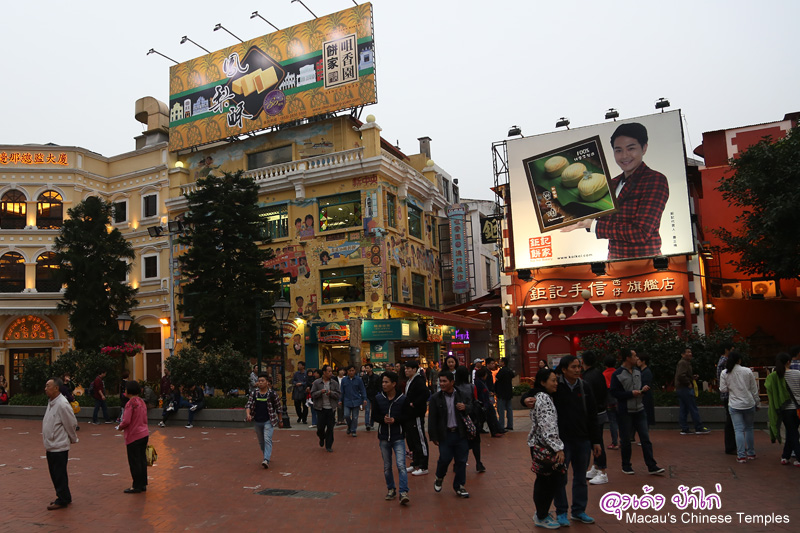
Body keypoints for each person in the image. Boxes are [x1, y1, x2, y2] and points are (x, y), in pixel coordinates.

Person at [561, 122, 670, 260]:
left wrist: (593, 224)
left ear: (644, 148)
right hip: (614, 263)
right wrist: (575, 218)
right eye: (618, 150)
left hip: (645, 264)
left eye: (631, 148)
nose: (624, 156)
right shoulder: (612, 183)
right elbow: (603, 218)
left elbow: (640, 233)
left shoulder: (655, 180)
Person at [522, 355, 600, 526]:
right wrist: (524, 399)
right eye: (573, 367)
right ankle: (562, 512)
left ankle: (579, 511)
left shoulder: (584, 387)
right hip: (563, 443)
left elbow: (593, 416)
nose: (578, 370)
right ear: (564, 370)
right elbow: (536, 391)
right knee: (560, 479)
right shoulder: (555, 387)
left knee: (580, 478)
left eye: (579, 366)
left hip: (582, 440)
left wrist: (596, 441)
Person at [609, 349, 665, 477]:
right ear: (627, 358)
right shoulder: (617, 374)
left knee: (645, 439)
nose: (636, 358)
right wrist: (630, 394)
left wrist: (643, 390)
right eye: (634, 356)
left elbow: (641, 387)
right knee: (626, 440)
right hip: (625, 411)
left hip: (640, 409)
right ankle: (626, 465)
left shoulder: (637, 372)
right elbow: (614, 392)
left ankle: (652, 466)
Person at [528, 367, 565, 530]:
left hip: (541, 445)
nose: (556, 383)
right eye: (553, 380)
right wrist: (558, 448)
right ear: (543, 382)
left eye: (556, 380)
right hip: (545, 447)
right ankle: (541, 515)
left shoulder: (542, 396)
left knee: (547, 481)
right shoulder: (543, 398)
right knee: (546, 482)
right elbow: (547, 426)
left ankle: (542, 513)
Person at [428, 372, 472, 498]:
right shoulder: (436, 398)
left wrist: (465, 407)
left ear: (452, 382)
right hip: (445, 435)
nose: (441, 384)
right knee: (445, 458)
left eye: (444, 381)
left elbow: (473, 407)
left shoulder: (462, 395)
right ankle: (439, 476)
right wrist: (434, 436)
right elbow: (432, 419)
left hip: (460, 433)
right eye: (440, 381)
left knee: (461, 461)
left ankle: (459, 486)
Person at [373, 370, 410, 505]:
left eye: (386, 382)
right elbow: (374, 416)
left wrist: (396, 420)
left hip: (398, 436)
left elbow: (407, 417)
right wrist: (383, 420)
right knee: (387, 466)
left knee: (401, 465)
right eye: (383, 382)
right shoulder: (378, 398)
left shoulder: (403, 399)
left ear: (394, 384)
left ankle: (403, 492)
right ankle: (391, 489)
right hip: (383, 437)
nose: (384, 384)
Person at [42, 377, 78, 510]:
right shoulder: (51, 402)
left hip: (59, 445)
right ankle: (64, 496)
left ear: (56, 388)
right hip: (51, 445)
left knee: (59, 473)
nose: (45, 389)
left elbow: (71, 423)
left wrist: (73, 438)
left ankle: (62, 499)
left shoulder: (62, 404)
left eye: (48, 386)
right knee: (55, 473)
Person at [719, 351, 759, 463]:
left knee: (738, 430)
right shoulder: (747, 371)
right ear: (739, 360)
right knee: (749, 428)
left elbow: (723, 389)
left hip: (734, 404)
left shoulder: (725, 373)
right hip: (748, 403)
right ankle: (751, 453)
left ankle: (741, 455)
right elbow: (754, 389)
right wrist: (757, 402)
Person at [766, 353, 800, 465]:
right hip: (798, 408)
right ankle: (788, 456)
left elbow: (770, 389)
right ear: (788, 362)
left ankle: (787, 456)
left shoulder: (775, 376)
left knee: (791, 432)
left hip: (785, 409)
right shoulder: (797, 373)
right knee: (793, 432)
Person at [582, 350, 609, 485]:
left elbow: (588, 398)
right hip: (601, 411)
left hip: (594, 414)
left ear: (583, 362)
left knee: (597, 442)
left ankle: (603, 471)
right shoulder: (598, 373)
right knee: (596, 441)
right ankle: (597, 466)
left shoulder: (587, 377)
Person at [245, 373, 283, 468]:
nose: (260, 383)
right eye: (259, 381)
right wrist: (248, 414)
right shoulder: (254, 393)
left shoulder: (272, 394)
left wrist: (280, 420)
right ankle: (266, 454)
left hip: (268, 421)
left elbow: (278, 408)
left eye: (262, 381)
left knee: (267, 439)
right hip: (257, 421)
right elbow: (248, 405)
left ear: (267, 382)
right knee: (261, 441)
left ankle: (266, 459)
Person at [118, 380, 149, 493]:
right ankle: (142, 484)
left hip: (134, 435)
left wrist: (120, 427)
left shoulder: (130, 403)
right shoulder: (142, 402)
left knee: (134, 461)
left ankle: (136, 485)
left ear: (129, 391)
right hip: (144, 433)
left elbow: (126, 420)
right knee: (142, 460)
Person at [455, 366, 485, 473]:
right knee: (475, 440)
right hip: (472, 416)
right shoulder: (472, 387)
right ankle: (478, 462)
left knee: (461, 440)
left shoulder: (454, 388)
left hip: (459, 417)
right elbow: (475, 400)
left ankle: (459, 462)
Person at [674, 347, 710, 435]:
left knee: (684, 408)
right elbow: (681, 375)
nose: (690, 354)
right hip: (684, 388)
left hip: (681, 388)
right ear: (683, 354)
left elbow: (682, 375)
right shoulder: (683, 363)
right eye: (688, 352)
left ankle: (684, 428)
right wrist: (688, 383)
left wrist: (692, 377)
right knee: (693, 407)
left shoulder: (684, 363)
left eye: (690, 352)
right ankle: (698, 427)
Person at [404, 360, 431, 475]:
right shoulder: (410, 380)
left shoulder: (418, 380)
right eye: (405, 369)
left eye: (408, 368)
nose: (406, 370)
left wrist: (414, 403)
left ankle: (424, 466)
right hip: (409, 415)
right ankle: (415, 463)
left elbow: (426, 393)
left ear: (414, 369)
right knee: (412, 439)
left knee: (420, 439)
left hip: (417, 414)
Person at [311, 365, 340, 452]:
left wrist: (331, 393)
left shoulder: (334, 383)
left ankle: (329, 445)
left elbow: (338, 395)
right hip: (320, 408)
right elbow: (313, 394)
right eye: (329, 371)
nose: (331, 373)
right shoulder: (317, 383)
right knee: (320, 427)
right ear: (324, 372)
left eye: (331, 371)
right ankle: (321, 437)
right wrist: (321, 392)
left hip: (331, 408)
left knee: (330, 428)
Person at [716, 342, 737, 455]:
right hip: (729, 395)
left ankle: (731, 445)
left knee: (730, 420)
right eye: (732, 349)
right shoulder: (725, 362)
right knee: (731, 421)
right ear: (726, 350)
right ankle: (730, 446)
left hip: (726, 395)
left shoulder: (721, 361)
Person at [340, 365, 367, 437]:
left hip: (356, 401)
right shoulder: (344, 380)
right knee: (346, 415)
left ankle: (353, 430)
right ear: (347, 372)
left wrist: (364, 398)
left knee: (355, 417)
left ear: (355, 371)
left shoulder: (359, 380)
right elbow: (342, 391)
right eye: (350, 371)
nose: (351, 372)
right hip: (347, 401)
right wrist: (340, 400)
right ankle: (350, 426)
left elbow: (362, 390)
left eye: (352, 370)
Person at [603, 355, 620, 449]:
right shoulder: (618, 373)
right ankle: (623, 441)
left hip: (609, 401)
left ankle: (615, 442)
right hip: (620, 400)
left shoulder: (604, 374)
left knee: (612, 421)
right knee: (622, 421)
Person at [495, 357, 516, 431]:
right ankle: (510, 425)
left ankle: (501, 425)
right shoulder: (509, 370)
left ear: (503, 363)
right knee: (509, 409)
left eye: (500, 361)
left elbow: (497, 379)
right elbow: (513, 375)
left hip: (501, 392)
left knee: (501, 410)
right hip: (508, 392)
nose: (499, 363)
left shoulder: (501, 371)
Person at [637, 353, 655, 427]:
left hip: (645, 398)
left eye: (638, 360)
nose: (637, 361)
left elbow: (645, 385)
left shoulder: (646, 372)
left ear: (643, 361)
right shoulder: (642, 371)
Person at [362, 363, 382, 432]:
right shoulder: (364, 377)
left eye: (367, 368)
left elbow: (379, 387)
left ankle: (371, 424)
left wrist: (379, 394)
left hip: (374, 395)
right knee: (367, 410)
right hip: (367, 395)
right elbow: (362, 387)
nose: (366, 369)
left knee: (373, 410)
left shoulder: (376, 377)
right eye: (365, 368)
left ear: (371, 368)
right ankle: (367, 424)